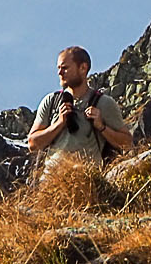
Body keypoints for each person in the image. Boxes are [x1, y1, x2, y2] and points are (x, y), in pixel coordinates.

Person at [27, 46, 133, 176]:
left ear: (83, 68)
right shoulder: (51, 101)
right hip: (50, 184)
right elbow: (32, 144)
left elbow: (127, 142)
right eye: (58, 68)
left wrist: (101, 127)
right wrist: (59, 124)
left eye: (65, 68)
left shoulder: (104, 103)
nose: (60, 73)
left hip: (87, 183)